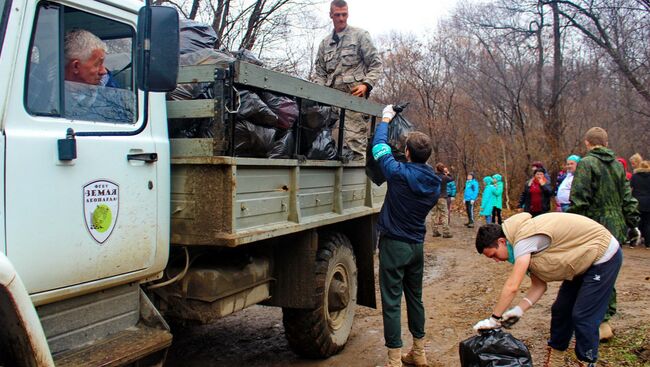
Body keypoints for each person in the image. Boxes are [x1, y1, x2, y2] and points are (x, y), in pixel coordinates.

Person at [473, 212, 623, 367]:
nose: (497, 261)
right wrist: (519, 310)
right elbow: (539, 286)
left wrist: (493, 319)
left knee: (583, 316)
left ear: (502, 241)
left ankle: (587, 361)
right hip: (582, 261)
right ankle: (555, 360)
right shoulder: (520, 246)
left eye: (494, 255)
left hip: (603, 255)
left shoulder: (524, 240)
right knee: (560, 310)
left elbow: (512, 286)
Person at [372, 105, 440, 367]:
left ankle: (393, 360)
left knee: (391, 302)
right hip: (416, 247)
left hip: (394, 245)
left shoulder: (398, 174)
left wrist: (386, 119)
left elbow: (380, 147)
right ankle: (419, 352)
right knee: (415, 298)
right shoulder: (434, 182)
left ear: (407, 153)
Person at [568, 126, 639, 340]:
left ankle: (598, 322)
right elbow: (628, 197)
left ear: (588, 143)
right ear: (606, 143)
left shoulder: (586, 164)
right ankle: (604, 319)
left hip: (593, 225)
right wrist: (633, 222)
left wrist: (573, 225)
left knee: (590, 273)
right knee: (607, 272)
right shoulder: (618, 166)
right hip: (615, 225)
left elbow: (579, 198)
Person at [313, 0, 382, 161]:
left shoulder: (360, 36)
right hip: (329, 100)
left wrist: (366, 84)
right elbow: (320, 73)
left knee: (355, 144)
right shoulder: (325, 44)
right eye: (337, 15)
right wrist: (319, 95)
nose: (341, 18)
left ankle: (356, 183)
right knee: (319, 141)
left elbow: (376, 64)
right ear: (331, 15)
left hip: (353, 101)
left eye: (344, 14)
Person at [64, 29, 133, 122]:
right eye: (97, 64)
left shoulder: (114, 102)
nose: (104, 71)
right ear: (76, 66)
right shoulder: (44, 93)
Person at [431, 163, 454, 239]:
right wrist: (448, 173)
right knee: (444, 215)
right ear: (443, 169)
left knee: (434, 215)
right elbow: (451, 179)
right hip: (442, 197)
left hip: (433, 197)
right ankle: (446, 232)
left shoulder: (432, 176)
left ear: (436, 169)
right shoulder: (445, 177)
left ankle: (435, 232)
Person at [631, 160, 650, 248]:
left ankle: (633, 242)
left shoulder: (634, 176)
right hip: (648, 202)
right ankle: (648, 243)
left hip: (637, 201)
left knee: (635, 222)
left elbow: (631, 188)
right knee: (647, 223)